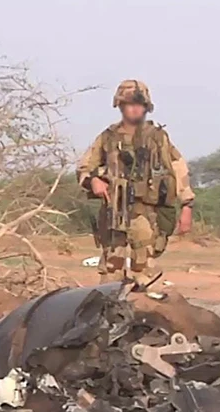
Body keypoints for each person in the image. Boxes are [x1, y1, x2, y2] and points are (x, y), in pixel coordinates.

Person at [76, 79, 194, 285]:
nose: (134, 109)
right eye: (129, 104)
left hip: (146, 214)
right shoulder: (107, 137)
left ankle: (143, 313)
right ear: (120, 106)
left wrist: (187, 206)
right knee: (111, 271)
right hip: (114, 212)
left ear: (146, 107)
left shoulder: (158, 137)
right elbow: (84, 168)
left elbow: (178, 168)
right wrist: (93, 180)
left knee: (145, 271)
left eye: (139, 104)